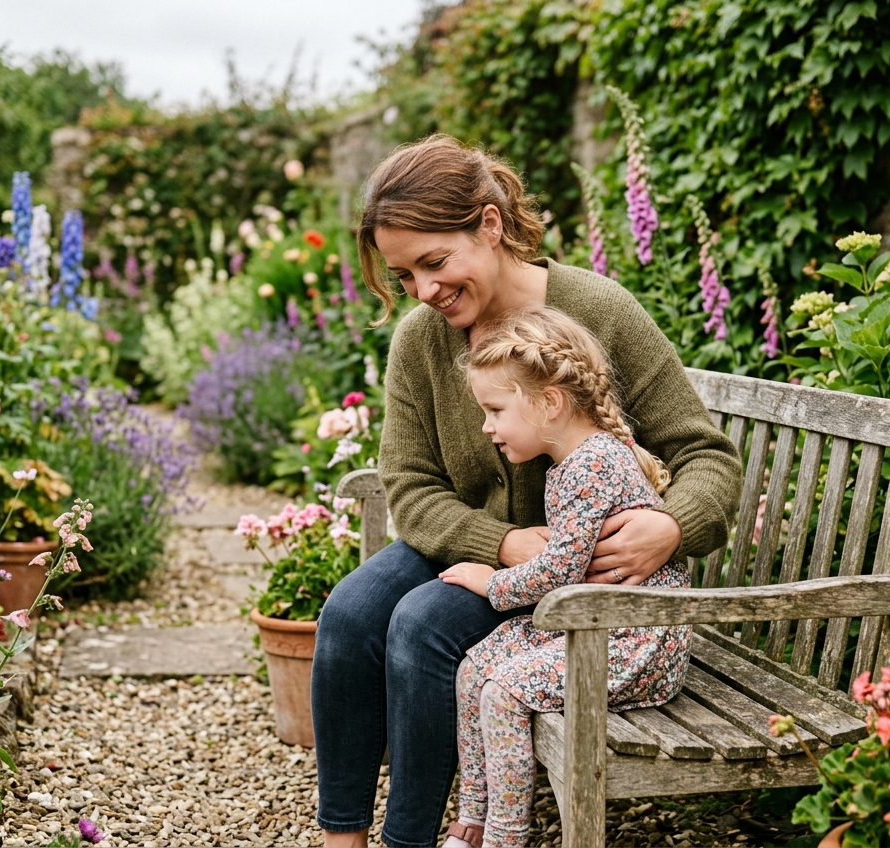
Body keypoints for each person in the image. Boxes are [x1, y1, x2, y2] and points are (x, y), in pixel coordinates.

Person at [311, 134, 741, 848]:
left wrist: (672, 527)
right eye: (404, 275)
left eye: (434, 262)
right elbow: (411, 488)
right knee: (350, 615)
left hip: (580, 573)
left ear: (489, 223)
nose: (423, 291)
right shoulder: (419, 341)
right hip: (481, 545)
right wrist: (503, 542)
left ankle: (411, 838)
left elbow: (706, 457)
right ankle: (342, 836)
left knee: (421, 625)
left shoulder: (598, 309)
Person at [439, 305, 691, 848]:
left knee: (505, 692)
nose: (487, 427)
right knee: (476, 665)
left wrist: (490, 580)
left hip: (638, 643)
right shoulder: (571, 462)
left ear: (548, 403)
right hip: (598, 626)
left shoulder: (593, 464)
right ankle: (476, 819)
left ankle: (507, 836)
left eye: (495, 410)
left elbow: (558, 574)